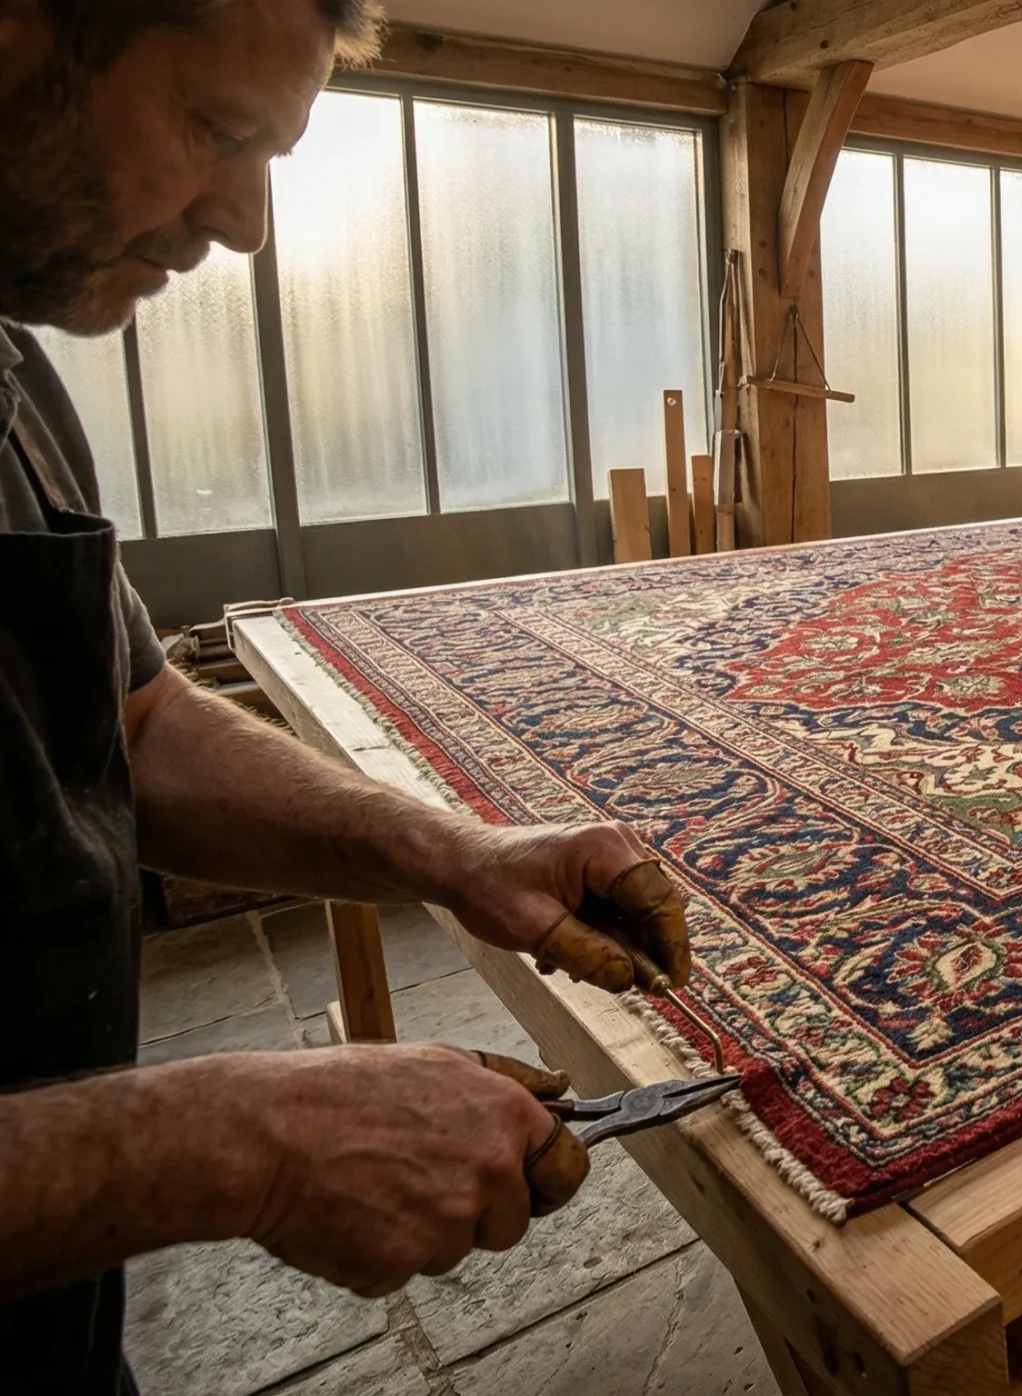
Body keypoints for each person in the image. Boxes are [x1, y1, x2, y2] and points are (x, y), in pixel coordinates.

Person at [0, 1, 697, 1389]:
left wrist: (451, 852)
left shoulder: (15, 376)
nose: (247, 224)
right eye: (215, 128)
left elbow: (132, 724)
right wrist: (231, 1143)